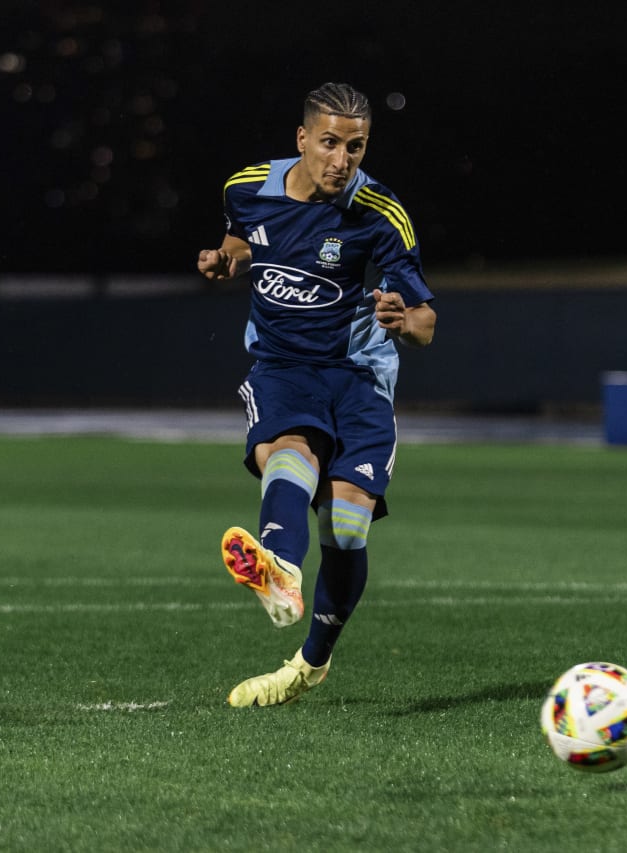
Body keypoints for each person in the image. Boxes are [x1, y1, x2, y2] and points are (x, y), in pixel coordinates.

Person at [196, 82, 436, 707]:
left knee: (348, 525)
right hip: (282, 364)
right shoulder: (246, 187)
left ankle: (309, 663)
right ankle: (280, 570)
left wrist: (401, 321)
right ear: (301, 139)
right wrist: (227, 259)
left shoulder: (380, 213)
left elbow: (426, 325)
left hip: (358, 375)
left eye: (355, 147)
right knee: (291, 450)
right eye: (329, 143)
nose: (342, 160)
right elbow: (245, 238)